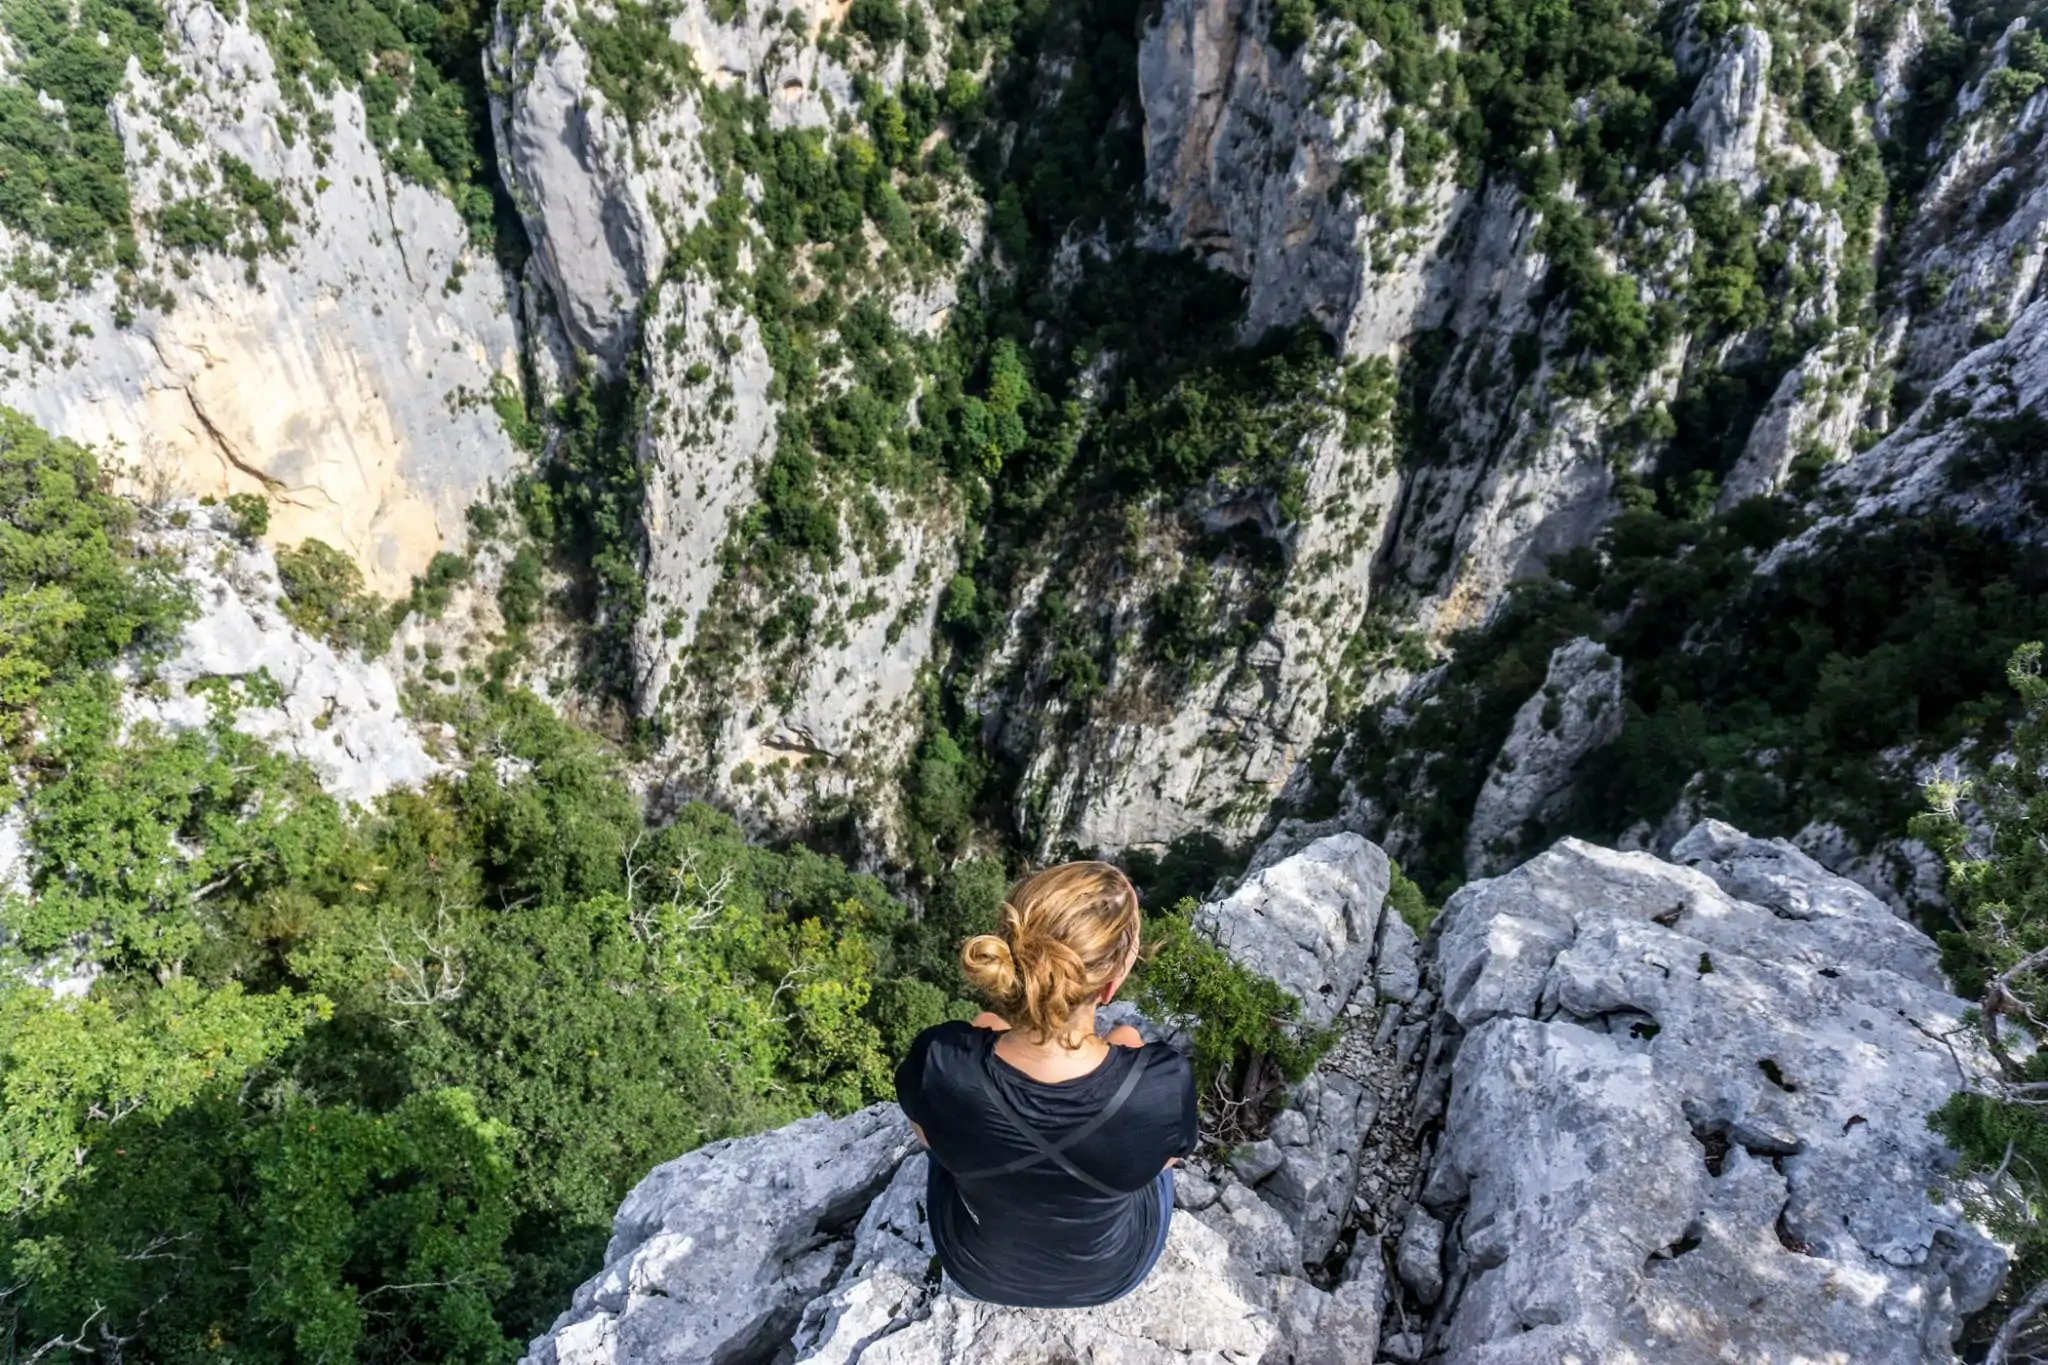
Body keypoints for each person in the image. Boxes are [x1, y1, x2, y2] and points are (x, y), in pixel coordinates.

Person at [893, 861, 1198, 1308]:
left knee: (985, 1027)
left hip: (979, 1269)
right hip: (1110, 1273)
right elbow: (1164, 1163)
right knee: (1127, 1042)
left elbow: (928, 1140)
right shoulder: (1163, 1083)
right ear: (1111, 984)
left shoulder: (943, 1060)